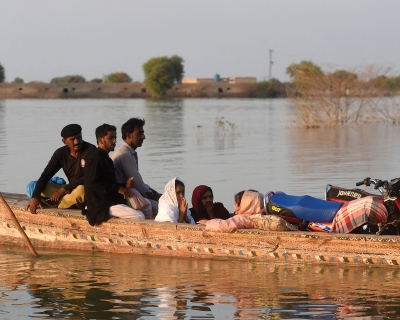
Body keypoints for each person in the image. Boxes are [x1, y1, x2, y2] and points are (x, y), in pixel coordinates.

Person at [83, 123, 149, 226]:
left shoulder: (106, 158)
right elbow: (93, 183)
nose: (115, 141)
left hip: (109, 201)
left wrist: (125, 185)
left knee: (147, 208)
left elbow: (109, 183)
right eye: (111, 138)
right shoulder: (96, 158)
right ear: (100, 140)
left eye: (115, 138)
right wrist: (118, 189)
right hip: (100, 206)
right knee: (139, 216)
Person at [26, 124, 96, 214]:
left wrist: (63, 190)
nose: (77, 142)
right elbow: (46, 174)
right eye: (72, 139)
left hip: (85, 188)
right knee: (35, 186)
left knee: (81, 190)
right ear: (64, 141)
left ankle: (55, 203)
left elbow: (89, 177)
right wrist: (35, 197)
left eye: (79, 137)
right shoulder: (60, 154)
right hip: (70, 191)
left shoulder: (91, 150)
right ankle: (69, 202)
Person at [112, 117, 161, 216]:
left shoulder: (128, 152)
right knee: (165, 208)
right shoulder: (125, 155)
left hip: (131, 195)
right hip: (124, 199)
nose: (143, 136)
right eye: (139, 133)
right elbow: (139, 186)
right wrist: (159, 197)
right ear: (128, 135)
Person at [198, 190, 264, 232]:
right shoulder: (261, 216)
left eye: (237, 204)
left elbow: (225, 225)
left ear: (246, 205)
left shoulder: (244, 218)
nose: (234, 206)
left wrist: (208, 223)